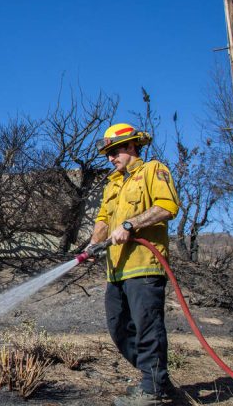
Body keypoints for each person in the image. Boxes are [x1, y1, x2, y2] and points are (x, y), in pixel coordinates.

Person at [87, 123, 179, 406]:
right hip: (116, 270)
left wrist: (130, 224)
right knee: (118, 328)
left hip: (144, 266)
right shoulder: (114, 183)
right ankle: (156, 380)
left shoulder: (152, 170)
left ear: (131, 147)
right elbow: (103, 220)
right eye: (107, 154)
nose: (111, 158)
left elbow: (167, 206)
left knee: (147, 328)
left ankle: (154, 391)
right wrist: (91, 244)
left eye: (115, 152)